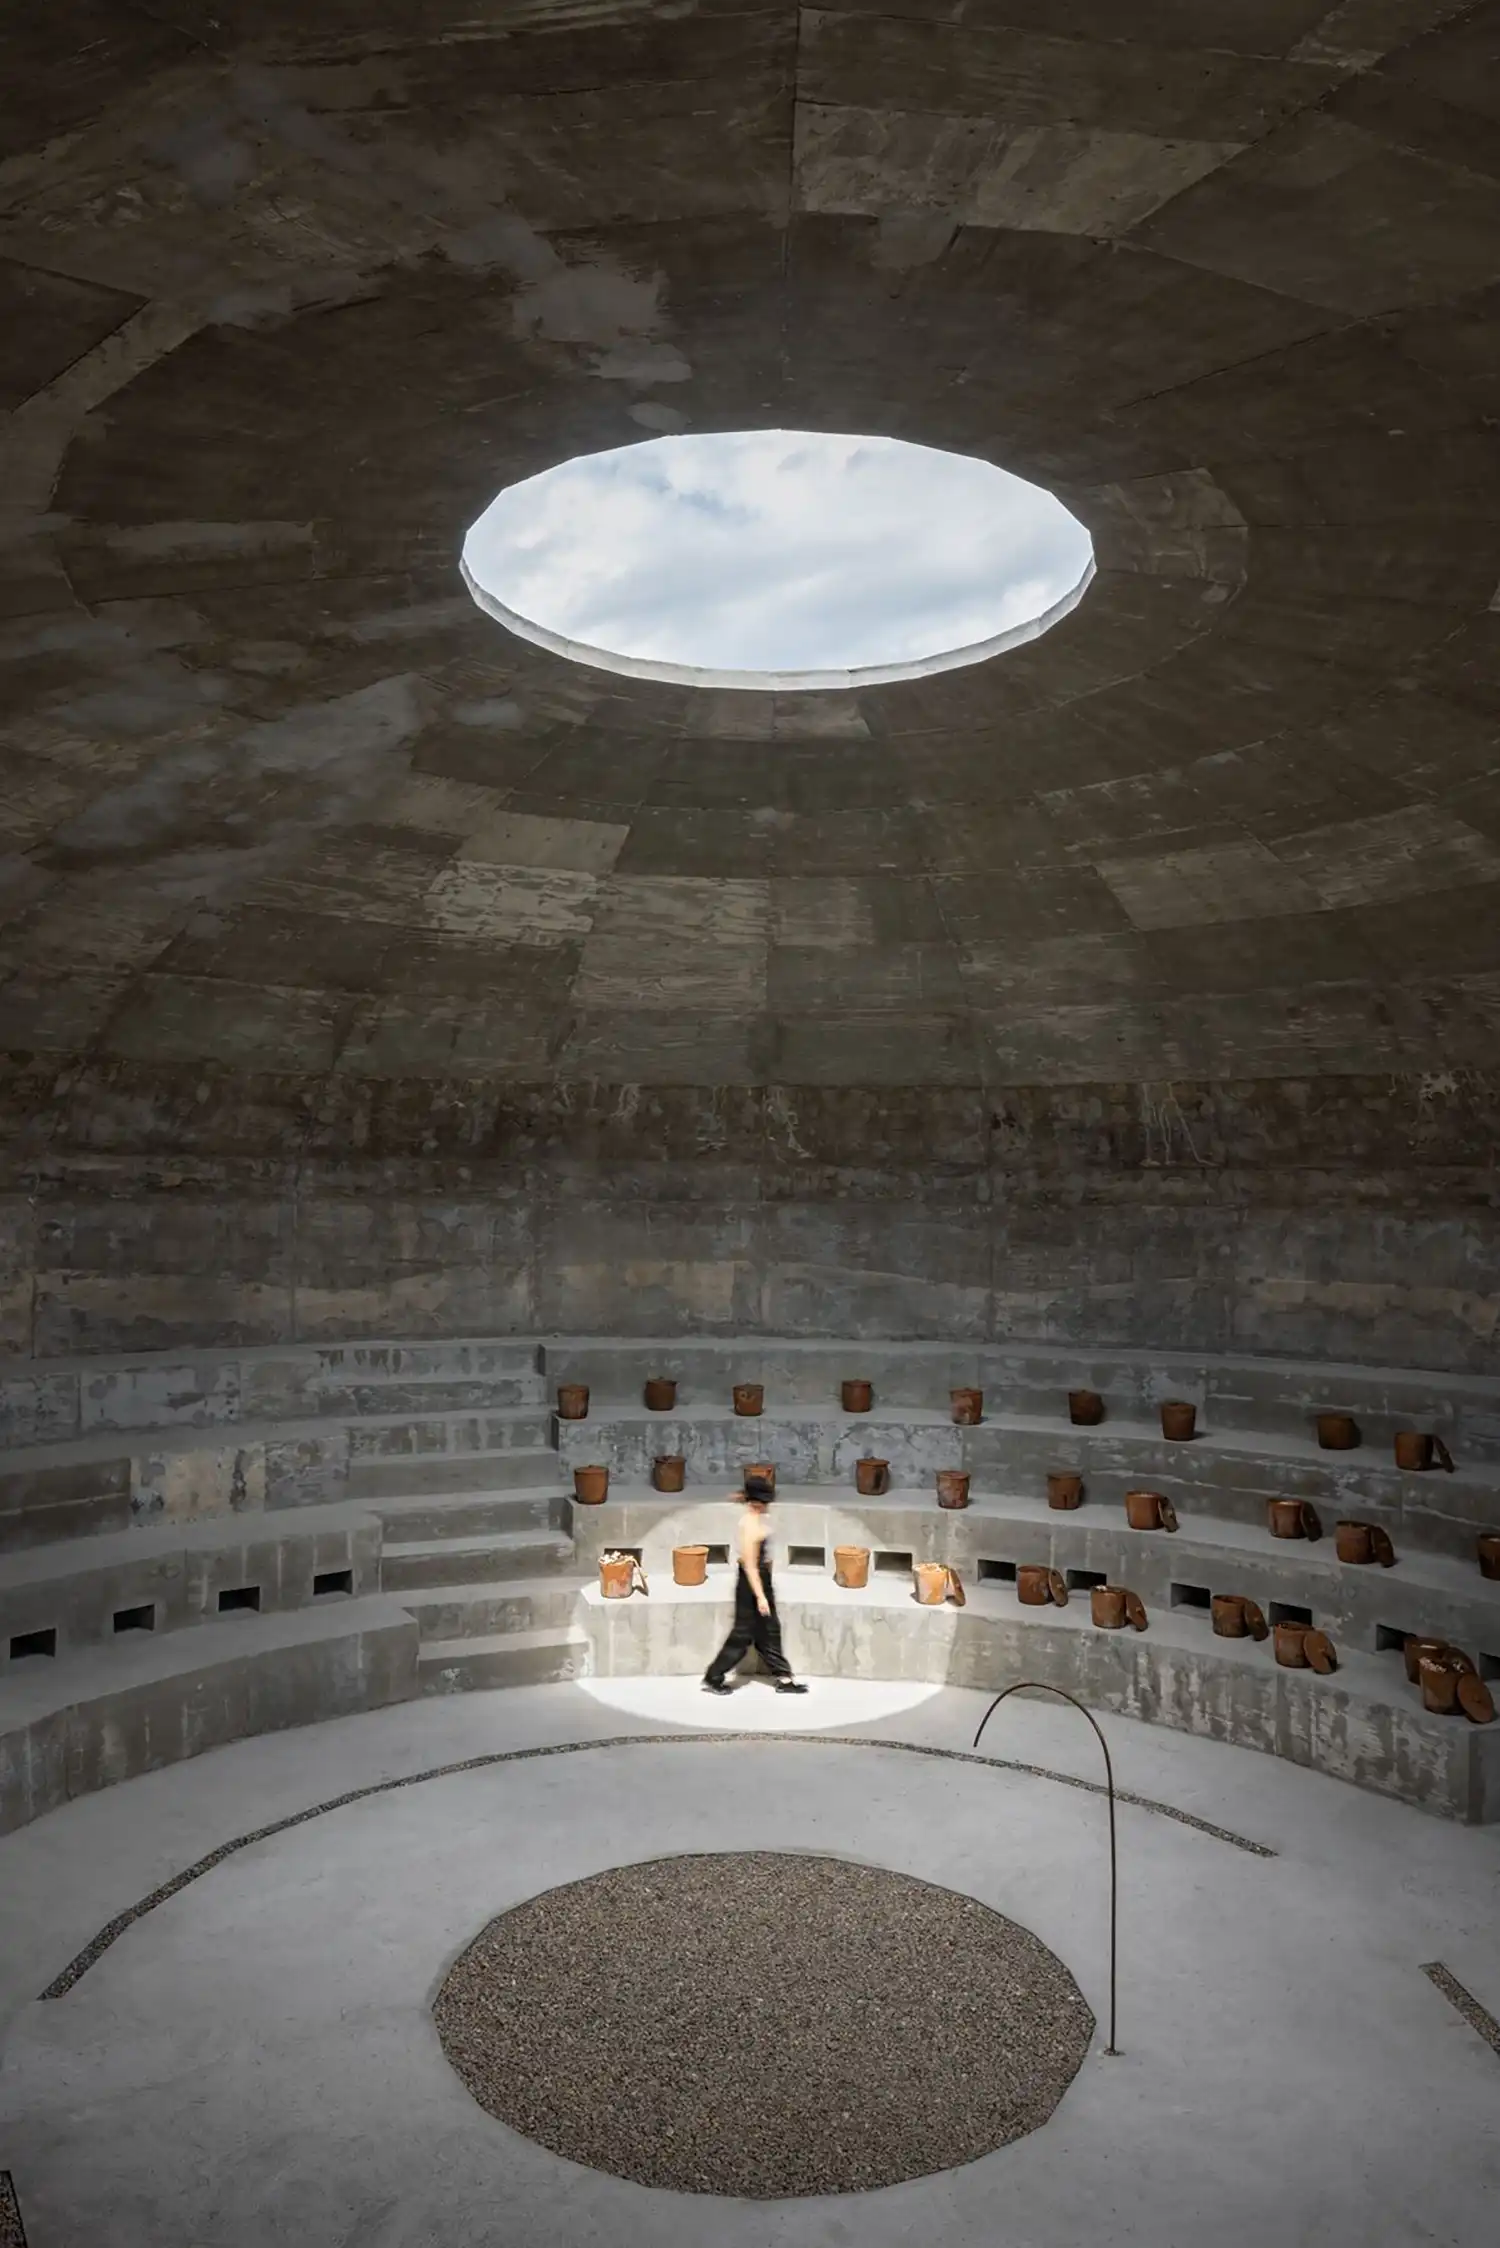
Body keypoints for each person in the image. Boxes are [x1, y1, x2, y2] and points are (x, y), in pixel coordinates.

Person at [702, 1472, 808, 1695]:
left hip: (761, 1579)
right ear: (758, 1502)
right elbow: (750, 1565)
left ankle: (784, 1678)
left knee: (769, 1630)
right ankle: (713, 1677)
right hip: (751, 1583)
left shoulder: (757, 1516)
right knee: (742, 1634)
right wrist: (760, 1596)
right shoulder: (749, 1524)